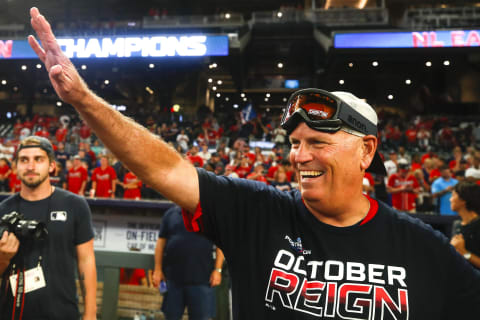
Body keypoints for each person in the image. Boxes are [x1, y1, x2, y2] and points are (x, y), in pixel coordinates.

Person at [28, 8, 480, 318]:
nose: (300, 155)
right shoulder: (258, 212)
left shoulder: (421, 247)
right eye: (296, 141)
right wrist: (83, 100)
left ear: (366, 151)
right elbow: (164, 168)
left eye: (318, 142)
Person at [0, 136, 96, 320]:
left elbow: (86, 260)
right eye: (24, 160)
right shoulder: (3, 210)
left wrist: (90, 314)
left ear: (52, 166)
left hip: (61, 312)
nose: (30, 166)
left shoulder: (74, 205)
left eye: (38, 159)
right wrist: (3, 258)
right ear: (16, 167)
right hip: (12, 313)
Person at [152, 206, 224, 320]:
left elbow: (221, 244)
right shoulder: (170, 214)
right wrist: (158, 269)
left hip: (202, 280)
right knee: (171, 317)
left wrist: (218, 270)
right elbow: (161, 243)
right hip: (173, 280)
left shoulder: (210, 215)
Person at [450, 181, 480, 269]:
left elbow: (462, 252)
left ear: (463, 200)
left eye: (453, 195)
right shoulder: (456, 225)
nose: (450, 199)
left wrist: (464, 253)